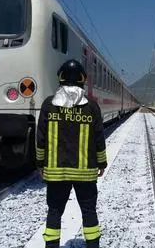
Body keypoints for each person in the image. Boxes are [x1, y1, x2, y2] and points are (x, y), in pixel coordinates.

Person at [36, 59, 107, 248]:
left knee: (54, 212)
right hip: (85, 174)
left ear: (60, 80)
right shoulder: (91, 107)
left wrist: (40, 164)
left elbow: (40, 139)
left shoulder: (48, 105)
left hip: (56, 173)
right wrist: (102, 163)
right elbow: (99, 139)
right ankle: (93, 245)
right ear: (82, 81)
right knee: (89, 211)